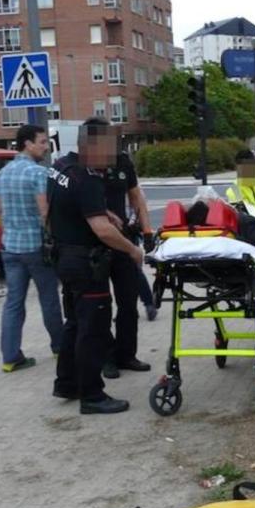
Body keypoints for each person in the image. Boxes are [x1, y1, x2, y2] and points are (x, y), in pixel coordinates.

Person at [48, 118, 143, 415]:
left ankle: (66, 383)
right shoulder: (87, 177)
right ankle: (92, 394)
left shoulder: (61, 168)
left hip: (65, 256)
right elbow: (102, 231)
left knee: (74, 324)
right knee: (93, 328)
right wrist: (132, 249)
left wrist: (102, 213)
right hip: (87, 263)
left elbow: (62, 210)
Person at [74, 125, 155, 379]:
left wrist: (147, 230)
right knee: (102, 307)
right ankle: (107, 358)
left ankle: (126, 354)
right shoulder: (80, 167)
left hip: (123, 241)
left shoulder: (122, 163)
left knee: (128, 303)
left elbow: (136, 197)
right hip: (94, 243)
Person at [0, 124, 63, 373]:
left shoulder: (3, 173)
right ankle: (59, 347)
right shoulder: (38, 174)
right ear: (27, 143)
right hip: (36, 247)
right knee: (49, 299)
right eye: (42, 142)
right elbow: (45, 211)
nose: (46, 147)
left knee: (13, 302)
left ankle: (11, 357)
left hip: (10, 247)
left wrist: (9, 235)